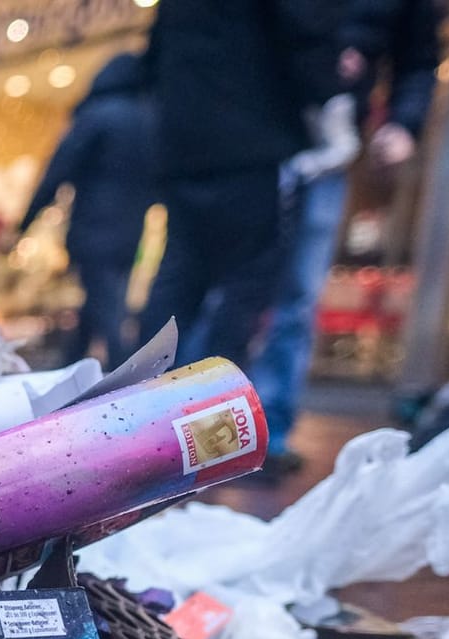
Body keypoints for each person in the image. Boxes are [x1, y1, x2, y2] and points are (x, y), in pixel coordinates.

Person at [242, 0, 441, 476]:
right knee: (239, 282)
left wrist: (403, 123)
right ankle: (191, 421)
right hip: (258, 136)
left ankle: (263, 433)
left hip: (330, 147)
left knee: (297, 295)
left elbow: (417, 59)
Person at [138, 0, 347, 371]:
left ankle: (136, 402)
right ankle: (213, 406)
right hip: (253, 144)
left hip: (186, 148)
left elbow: (154, 59)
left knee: (179, 279)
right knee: (245, 286)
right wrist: (331, 102)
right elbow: (303, 33)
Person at [15, 52, 158, 368]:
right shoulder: (148, 119)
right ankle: (71, 370)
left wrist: (24, 223)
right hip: (130, 232)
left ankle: (132, 376)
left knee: (106, 310)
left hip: (93, 230)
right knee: (99, 304)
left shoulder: (97, 116)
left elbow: (58, 170)